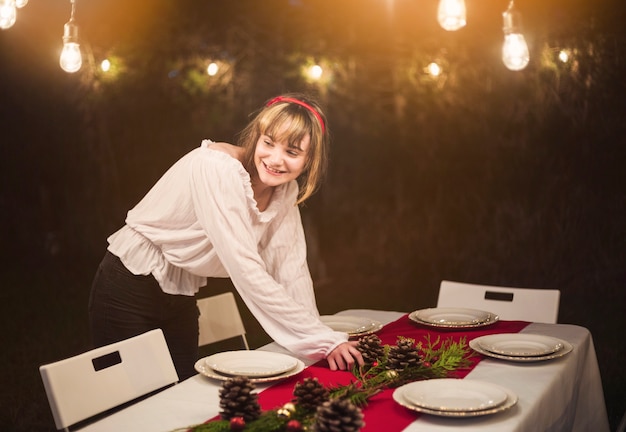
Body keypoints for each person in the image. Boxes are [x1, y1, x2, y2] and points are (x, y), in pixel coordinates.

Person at [88, 93, 364, 380]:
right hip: (128, 281)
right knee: (131, 398)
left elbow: (290, 269)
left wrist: (317, 342)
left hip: (181, 289)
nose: (275, 159)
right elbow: (244, 267)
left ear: (309, 160)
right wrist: (321, 339)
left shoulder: (285, 190)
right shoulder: (218, 169)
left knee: (180, 390)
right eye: (268, 143)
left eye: (292, 152)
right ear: (256, 137)